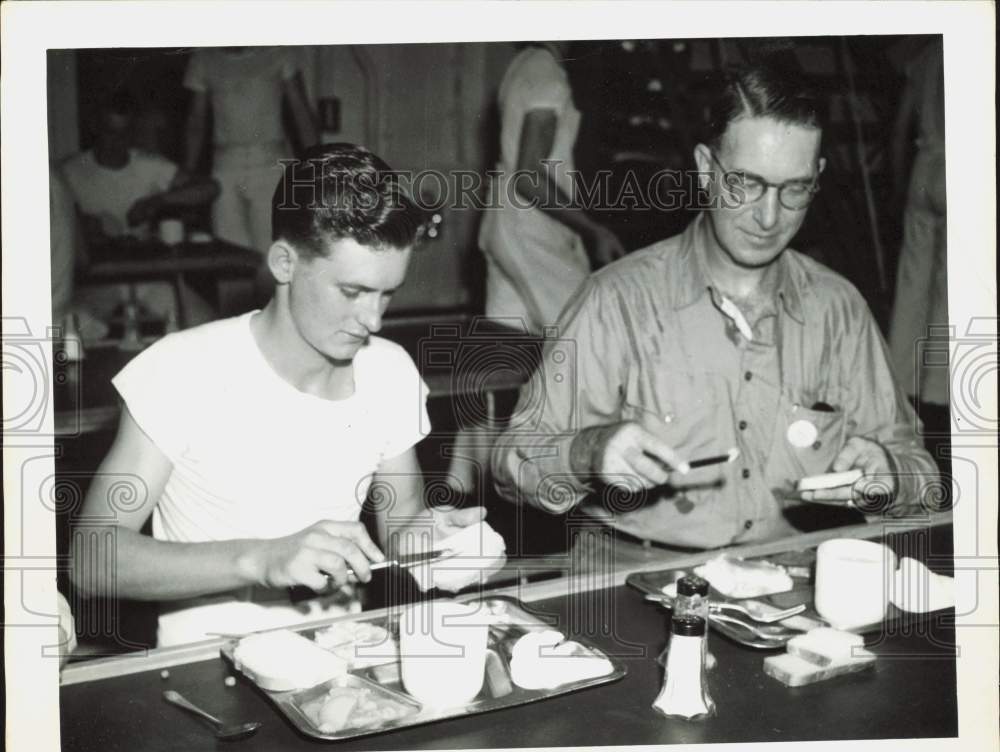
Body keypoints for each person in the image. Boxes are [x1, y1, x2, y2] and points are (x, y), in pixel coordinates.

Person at [491, 62, 941, 549]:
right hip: (637, 576)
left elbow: (922, 473)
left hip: (793, 581)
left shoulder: (838, 310)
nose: (769, 217)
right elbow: (511, 461)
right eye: (746, 184)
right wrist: (586, 450)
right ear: (706, 169)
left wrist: (892, 473)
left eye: (794, 189)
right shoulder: (616, 300)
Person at [70, 144, 499, 647]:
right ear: (284, 262)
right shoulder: (183, 368)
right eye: (353, 291)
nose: (374, 320)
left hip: (342, 663)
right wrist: (265, 558)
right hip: (208, 674)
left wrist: (432, 540)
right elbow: (91, 559)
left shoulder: (389, 370)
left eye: (388, 294)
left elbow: (399, 523)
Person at [479, 41, 625, 333]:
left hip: (503, 225)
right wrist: (592, 229)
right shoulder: (547, 74)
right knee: (590, 334)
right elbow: (529, 176)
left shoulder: (523, 64)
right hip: (531, 234)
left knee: (511, 356)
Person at [60, 91, 220, 326]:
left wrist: (156, 201)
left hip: (149, 278)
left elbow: (209, 188)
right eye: (110, 132)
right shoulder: (70, 171)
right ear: (95, 128)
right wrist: (80, 225)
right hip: (98, 281)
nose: (117, 142)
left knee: (205, 323)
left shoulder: (148, 165)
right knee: (72, 330)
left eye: (124, 133)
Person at [182, 46, 318, 300]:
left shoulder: (280, 51)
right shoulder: (203, 58)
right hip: (224, 168)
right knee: (230, 261)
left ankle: (280, 333)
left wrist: (321, 165)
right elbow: (196, 121)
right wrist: (187, 173)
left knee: (274, 257)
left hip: (270, 164)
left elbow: (301, 111)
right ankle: (236, 333)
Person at [887, 38, 949, 457]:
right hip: (959, 166)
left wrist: (897, 186)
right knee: (948, 295)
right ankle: (941, 398)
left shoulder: (925, 57)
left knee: (912, 289)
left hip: (923, 170)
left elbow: (899, 129)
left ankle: (903, 389)